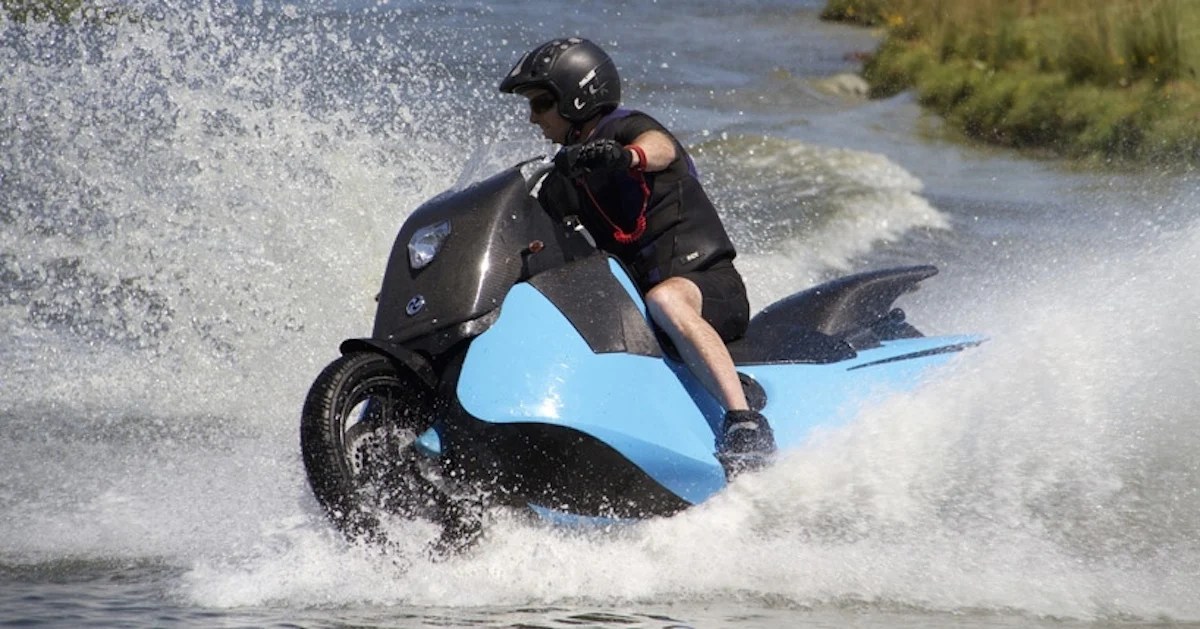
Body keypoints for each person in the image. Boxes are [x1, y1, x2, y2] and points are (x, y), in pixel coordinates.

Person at [499, 37, 776, 472]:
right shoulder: (567, 172)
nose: (533, 118)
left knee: (664, 298)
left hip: (706, 286)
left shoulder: (627, 129)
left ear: (576, 97)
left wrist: (628, 156)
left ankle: (745, 422)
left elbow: (659, 147)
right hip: (640, 308)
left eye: (540, 103)